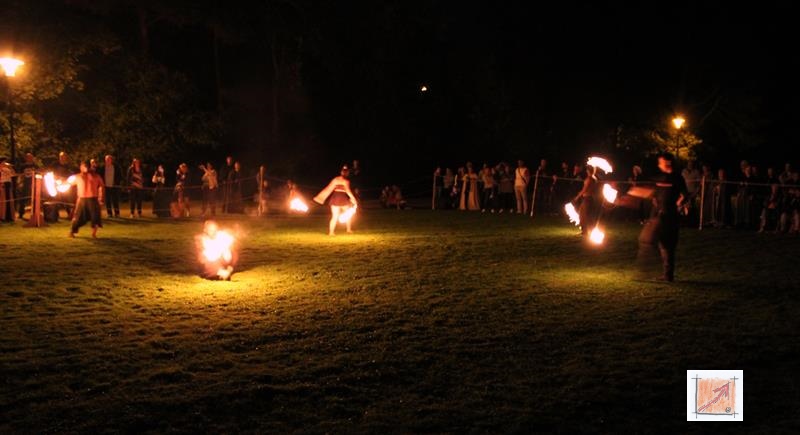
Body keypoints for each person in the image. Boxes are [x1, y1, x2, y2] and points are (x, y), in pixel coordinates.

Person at [637, 152, 688, 282]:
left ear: (667, 162)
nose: (659, 164)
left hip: (668, 216)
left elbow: (684, 195)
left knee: (661, 243)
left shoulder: (677, 178)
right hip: (659, 214)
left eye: (661, 162)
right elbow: (652, 193)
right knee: (661, 244)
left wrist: (678, 204)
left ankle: (656, 272)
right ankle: (666, 274)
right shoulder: (659, 178)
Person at [313, 165, 358, 236]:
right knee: (345, 214)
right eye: (346, 172)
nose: (346, 173)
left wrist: (319, 197)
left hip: (336, 199)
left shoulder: (335, 179)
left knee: (336, 216)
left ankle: (333, 232)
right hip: (341, 199)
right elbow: (348, 191)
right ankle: (347, 230)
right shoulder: (346, 181)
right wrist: (354, 199)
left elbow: (328, 188)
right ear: (345, 173)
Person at [70, 161, 105, 238]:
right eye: (82, 166)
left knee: (95, 217)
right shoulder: (77, 176)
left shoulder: (96, 176)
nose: (84, 168)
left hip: (93, 199)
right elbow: (68, 183)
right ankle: (72, 231)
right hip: (81, 199)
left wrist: (101, 198)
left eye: (85, 166)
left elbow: (102, 186)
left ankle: (94, 234)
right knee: (77, 216)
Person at [573, 165, 599, 237]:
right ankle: (585, 231)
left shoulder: (589, 179)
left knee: (583, 215)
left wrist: (577, 197)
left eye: (587, 170)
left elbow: (585, 189)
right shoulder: (594, 179)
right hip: (590, 198)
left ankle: (585, 232)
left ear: (588, 170)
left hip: (587, 199)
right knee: (585, 215)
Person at [0, 157, 16, 222]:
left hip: (8, 184)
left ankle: (9, 216)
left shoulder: (7, 168)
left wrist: (11, 168)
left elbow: (13, 174)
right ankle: (2, 216)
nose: (5, 163)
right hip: (2, 184)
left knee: (9, 200)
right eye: (4, 161)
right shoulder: (0, 168)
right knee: (3, 200)